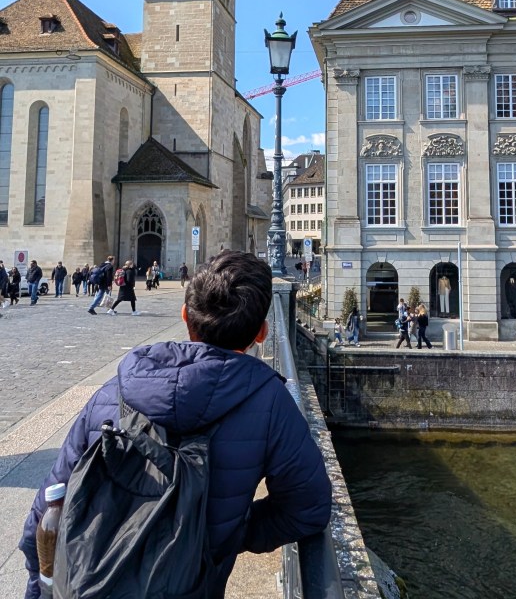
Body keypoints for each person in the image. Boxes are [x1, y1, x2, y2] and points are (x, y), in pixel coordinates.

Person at [20, 251, 332, 599]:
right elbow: (309, 509)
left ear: (185, 316)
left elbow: (46, 513)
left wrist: (40, 590)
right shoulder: (270, 402)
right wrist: (228, 533)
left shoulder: (116, 389)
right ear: (261, 333)